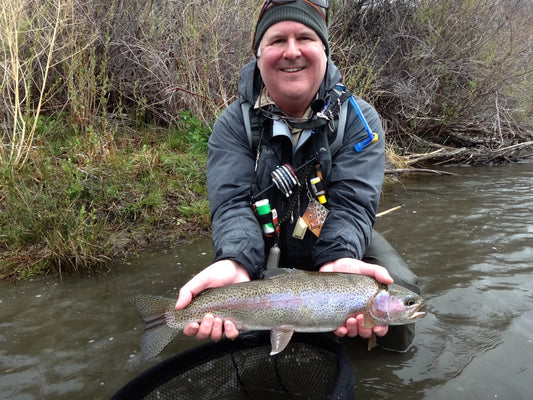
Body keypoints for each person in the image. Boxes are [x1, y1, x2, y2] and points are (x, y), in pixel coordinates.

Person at [176, 0, 419, 351]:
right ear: (258, 55)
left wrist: (339, 259)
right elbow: (231, 206)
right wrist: (235, 260)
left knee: (403, 288)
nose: (292, 52)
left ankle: (375, 355)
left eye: (305, 37)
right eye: (276, 41)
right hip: (262, 243)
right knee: (230, 321)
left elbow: (352, 206)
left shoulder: (359, 121)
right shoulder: (234, 124)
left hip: (332, 240)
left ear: (325, 50)